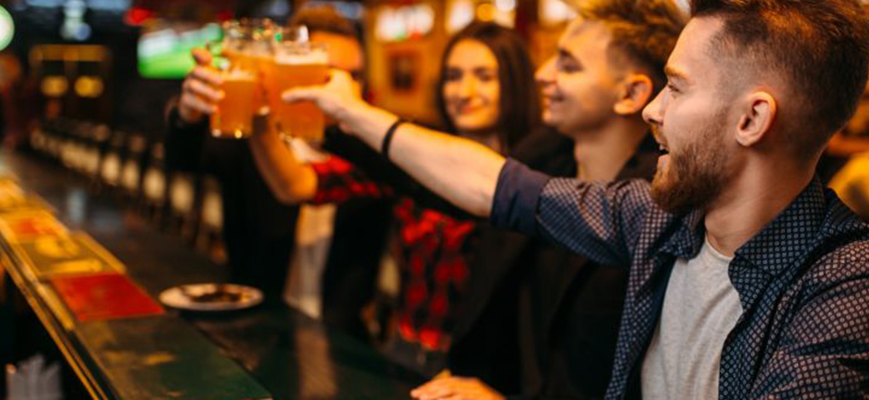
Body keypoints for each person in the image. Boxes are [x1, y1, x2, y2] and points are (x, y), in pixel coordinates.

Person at [286, 0, 869, 398]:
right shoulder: (664, 220)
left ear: (752, 120)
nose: (652, 109)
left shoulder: (853, 285)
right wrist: (350, 112)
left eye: (675, 87)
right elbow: (497, 186)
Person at [247, 21, 540, 376]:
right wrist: (258, 117)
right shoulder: (415, 157)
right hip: (401, 351)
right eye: (452, 75)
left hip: (481, 371)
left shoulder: (534, 178)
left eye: (484, 76)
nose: (463, 90)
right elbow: (297, 186)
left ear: (515, 83)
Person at [430, 0, 683, 398]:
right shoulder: (545, 158)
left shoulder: (658, 209)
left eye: (568, 65)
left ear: (632, 93)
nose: (541, 74)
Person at [165, 6, 385, 339]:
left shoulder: (372, 153)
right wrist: (186, 113)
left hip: (343, 339)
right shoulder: (247, 142)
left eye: (355, 75)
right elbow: (183, 158)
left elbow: (299, 185)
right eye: (330, 73)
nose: (346, 88)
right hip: (256, 329)